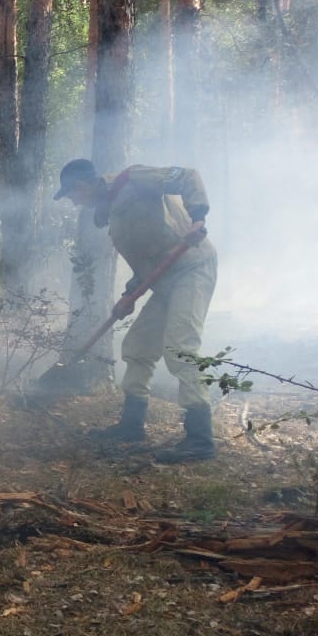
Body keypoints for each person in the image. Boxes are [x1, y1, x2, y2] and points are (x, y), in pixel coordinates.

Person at [52, 158, 218, 463]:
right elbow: (148, 257)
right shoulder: (112, 214)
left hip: (192, 267)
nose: (74, 203)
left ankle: (200, 439)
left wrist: (197, 217)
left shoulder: (135, 178)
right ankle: (131, 426)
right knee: (137, 347)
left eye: (72, 196)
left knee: (181, 349)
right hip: (164, 280)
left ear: (82, 185)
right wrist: (130, 293)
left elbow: (188, 176)